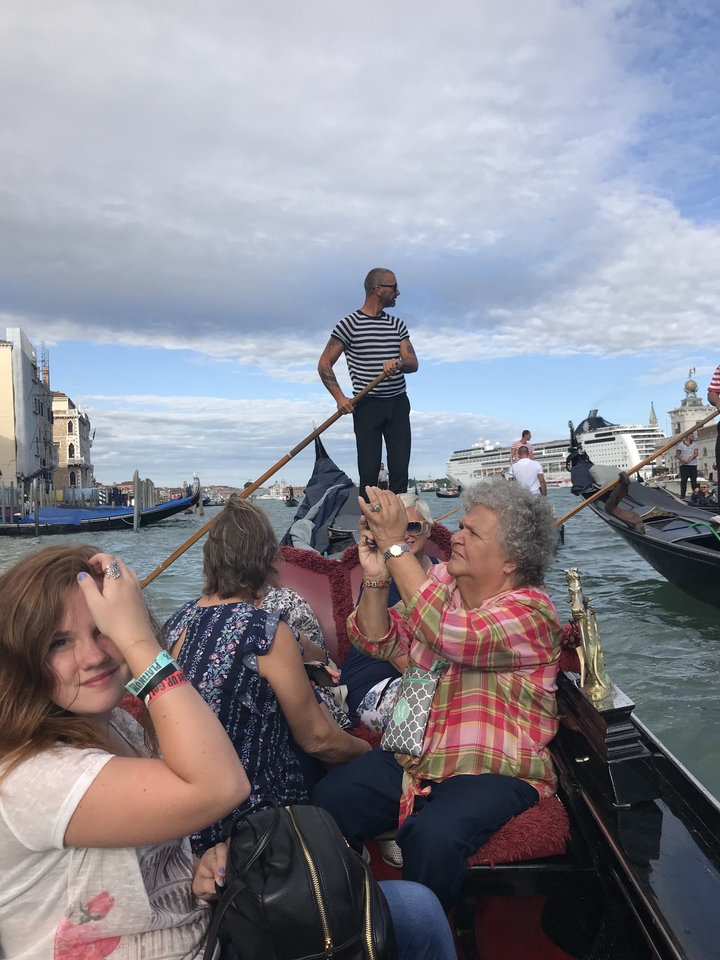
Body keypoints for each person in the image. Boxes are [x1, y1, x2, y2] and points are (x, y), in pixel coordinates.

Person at [0, 545, 457, 960]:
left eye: (103, 630)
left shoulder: (117, 725)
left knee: (415, 910)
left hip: (204, 929)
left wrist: (197, 871)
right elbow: (226, 784)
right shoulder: (36, 775)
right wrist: (138, 641)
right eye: (59, 643)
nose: (94, 656)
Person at [313, 479, 562, 910]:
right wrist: (375, 580)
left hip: (495, 770)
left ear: (511, 560)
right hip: (421, 756)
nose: (456, 537)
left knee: (435, 838)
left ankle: (423, 934)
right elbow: (377, 641)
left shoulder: (531, 612)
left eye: (472, 533)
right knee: (329, 803)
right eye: (460, 526)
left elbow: (449, 635)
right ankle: (350, 921)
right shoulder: (445, 585)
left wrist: (395, 546)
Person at [163, 496, 371, 853]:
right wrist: (368, 751)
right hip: (254, 819)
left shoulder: (175, 624)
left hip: (187, 813)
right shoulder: (266, 631)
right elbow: (318, 740)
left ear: (210, 559)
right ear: (266, 562)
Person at [317, 268, 419, 499]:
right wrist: (340, 398)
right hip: (366, 404)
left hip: (397, 403)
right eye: (394, 287)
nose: (398, 292)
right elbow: (324, 363)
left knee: (400, 472)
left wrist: (400, 364)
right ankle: (370, 527)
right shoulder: (348, 325)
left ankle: (399, 524)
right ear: (378, 289)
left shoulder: (397, 325)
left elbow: (413, 362)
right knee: (369, 473)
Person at [340, 493, 437, 731]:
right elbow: (396, 655)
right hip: (373, 682)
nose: (403, 535)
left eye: (412, 526)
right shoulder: (382, 578)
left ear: (429, 529)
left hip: (426, 678)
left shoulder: (444, 571)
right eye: (396, 528)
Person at [676, 433, 699, 499]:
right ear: (688, 436)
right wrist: (683, 460)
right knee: (684, 480)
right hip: (684, 465)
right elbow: (677, 455)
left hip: (693, 465)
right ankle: (682, 495)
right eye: (692, 436)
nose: (693, 437)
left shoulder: (694, 444)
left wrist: (691, 458)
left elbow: (696, 453)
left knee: (694, 481)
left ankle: (695, 495)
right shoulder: (680, 445)